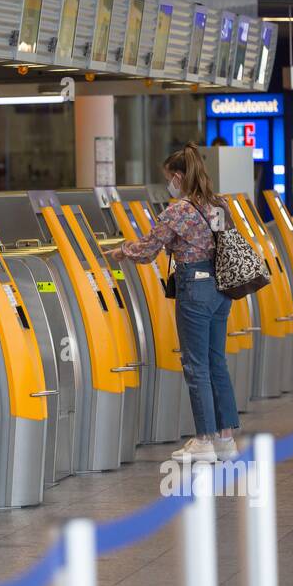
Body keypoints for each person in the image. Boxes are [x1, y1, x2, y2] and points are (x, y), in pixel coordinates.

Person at [112, 143, 239, 462]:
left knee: (195, 365)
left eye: (169, 177)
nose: (168, 183)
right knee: (215, 362)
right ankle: (225, 438)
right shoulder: (218, 204)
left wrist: (120, 251)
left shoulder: (178, 211)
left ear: (179, 176)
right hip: (222, 287)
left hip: (195, 288)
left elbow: (147, 250)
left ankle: (204, 440)